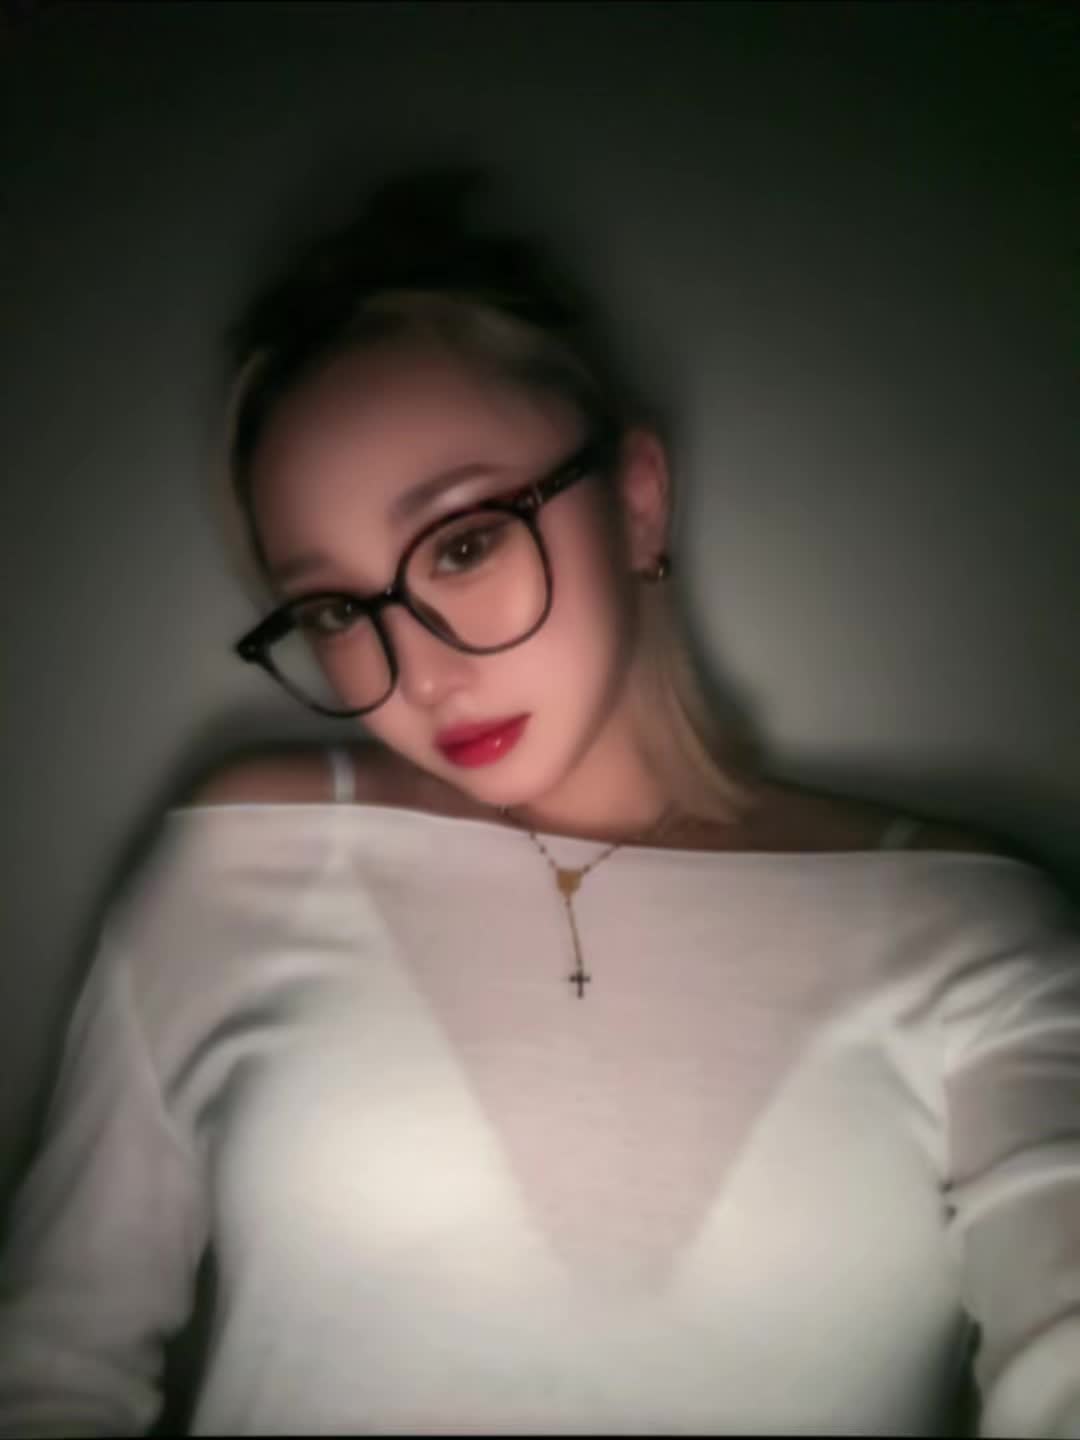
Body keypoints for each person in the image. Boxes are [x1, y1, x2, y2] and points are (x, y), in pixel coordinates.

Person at [0, 163, 1077, 1438]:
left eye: (462, 543)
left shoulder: (975, 936)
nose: (422, 671)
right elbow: (47, 1371)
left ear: (636, 501)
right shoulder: (242, 855)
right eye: (335, 610)